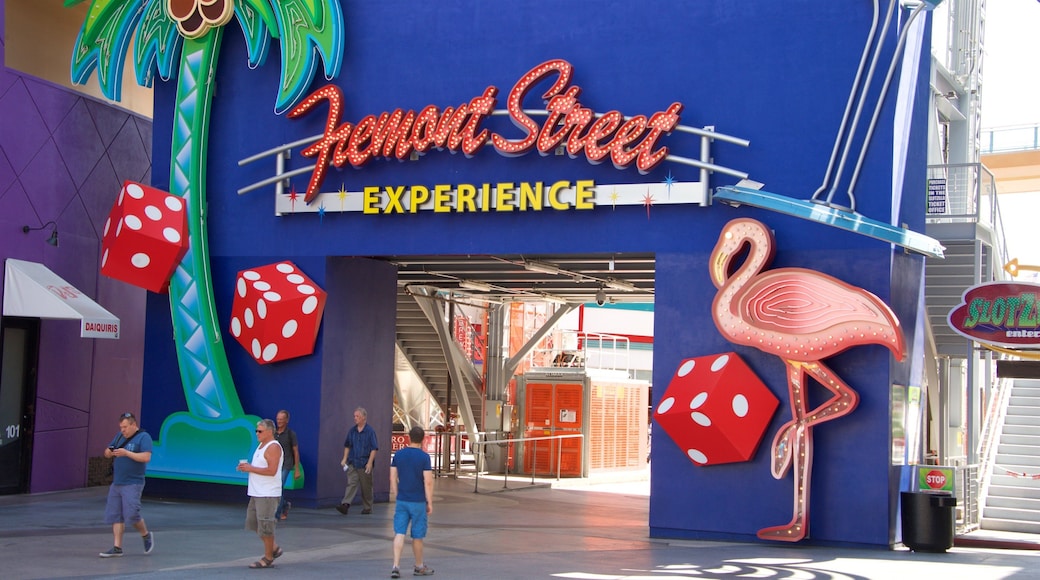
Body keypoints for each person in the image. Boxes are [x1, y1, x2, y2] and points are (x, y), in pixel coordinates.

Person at [99, 412, 155, 558]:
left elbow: (146, 457)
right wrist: (110, 453)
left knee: (132, 514)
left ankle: (145, 534)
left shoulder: (144, 437)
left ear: (133, 425)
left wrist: (127, 453)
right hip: (117, 481)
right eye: (121, 427)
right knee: (116, 515)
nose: (123, 430)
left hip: (133, 482)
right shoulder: (118, 437)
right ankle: (117, 547)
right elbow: (107, 452)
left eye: (125, 427)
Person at [237, 418, 284, 569]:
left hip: (267, 494)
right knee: (255, 524)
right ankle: (274, 548)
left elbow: (272, 471)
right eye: (256, 430)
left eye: (260, 431)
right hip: (257, 493)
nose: (257, 433)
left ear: (270, 432)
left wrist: (250, 468)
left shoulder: (273, 447)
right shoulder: (261, 446)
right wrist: (247, 468)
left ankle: (268, 557)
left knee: (265, 525)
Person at [389, 426, 434, 578]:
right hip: (418, 501)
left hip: (402, 500)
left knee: (399, 533)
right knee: (417, 535)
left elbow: (392, 477)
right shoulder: (424, 457)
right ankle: (419, 566)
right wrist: (429, 501)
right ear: (423, 439)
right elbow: (428, 481)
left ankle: (396, 566)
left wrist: (397, 493)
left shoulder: (398, 455)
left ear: (408, 437)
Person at [337, 407, 378, 515]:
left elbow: (374, 448)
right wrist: (345, 458)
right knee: (351, 483)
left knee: (366, 487)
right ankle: (345, 504)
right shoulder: (352, 431)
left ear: (364, 417)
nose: (355, 418)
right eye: (354, 416)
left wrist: (369, 462)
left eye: (357, 416)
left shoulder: (370, 432)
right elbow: (347, 445)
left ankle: (367, 507)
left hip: (364, 463)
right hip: (353, 462)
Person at [273, 410, 301, 520]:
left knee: (279, 487)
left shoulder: (291, 434)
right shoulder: (273, 433)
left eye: (281, 419)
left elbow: (296, 451)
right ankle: (285, 505)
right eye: (278, 418)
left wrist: (297, 469)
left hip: (286, 464)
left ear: (286, 420)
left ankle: (276, 514)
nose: (279, 421)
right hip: (275, 465)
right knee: (276, 488)